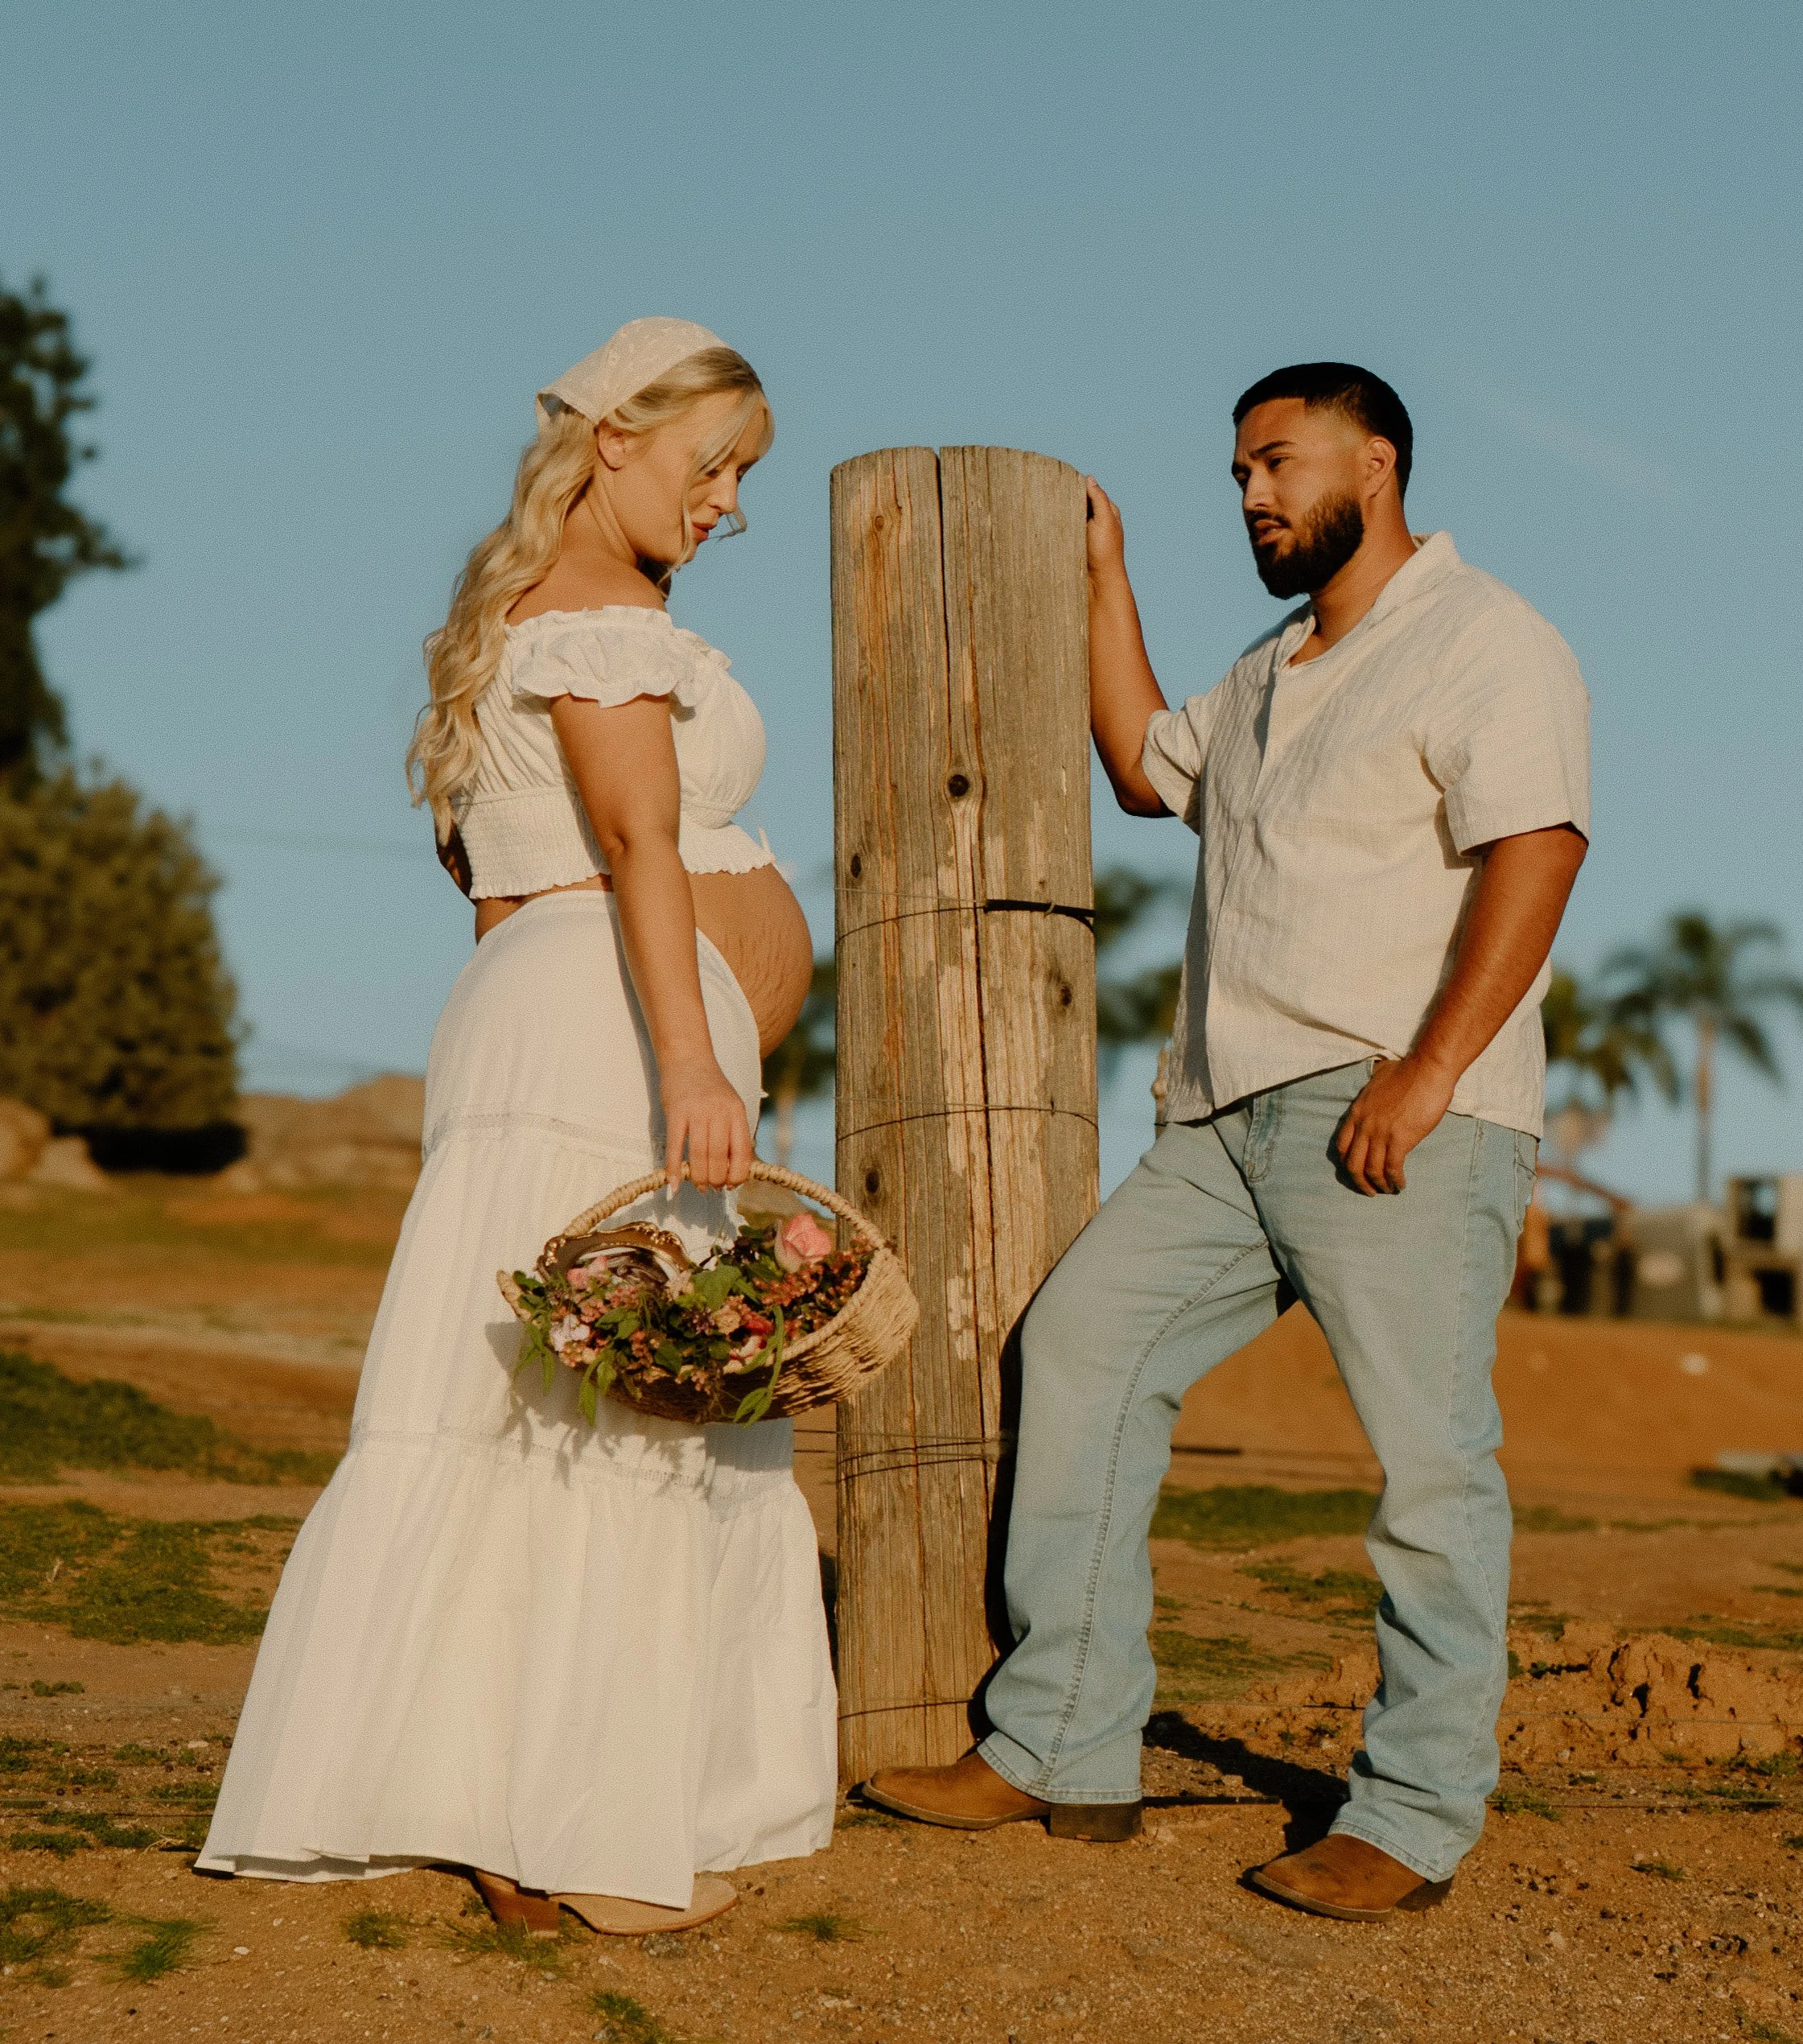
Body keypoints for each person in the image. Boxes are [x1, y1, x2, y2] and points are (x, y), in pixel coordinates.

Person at [867, 361, 1590, 1922]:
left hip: (1390, 1112)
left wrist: (1427, 1072)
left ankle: (1412, 1816)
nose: (1254, 495)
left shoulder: (1486, 639)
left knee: (1427, 1466)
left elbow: (1536, 851)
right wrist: (1104, 577)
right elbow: (1147, 770)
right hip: (1219, 1116)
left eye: (1278, 463)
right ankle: (1062, 1743)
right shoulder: (1274, 669)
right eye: (1240, 475)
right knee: (1080, 1352)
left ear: (1375, 463)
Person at [200, 319, 836, 1935]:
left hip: (546, 1016)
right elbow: (636, 845)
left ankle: (496, 1798)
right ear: (615, 439)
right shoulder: (602, 624)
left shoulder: (521, 620)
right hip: (611, 1036)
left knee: (540, 1410)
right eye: (712, 465)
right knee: (608, 1414)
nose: (729, 504)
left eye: (744, 477)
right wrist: (692, 1065)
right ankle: (568, 1824)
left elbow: (494, 882)